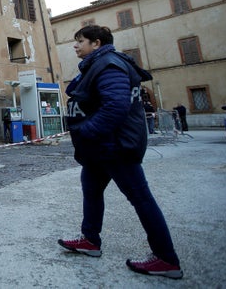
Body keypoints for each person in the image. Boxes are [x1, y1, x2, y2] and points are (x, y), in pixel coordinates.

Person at [57, 25, 183, 279]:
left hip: (114, 147)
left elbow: (115, 107)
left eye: (80, 41)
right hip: (100, 150)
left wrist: (86, 131)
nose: (75, 45)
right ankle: (90, 240)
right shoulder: (98, 64)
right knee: (91, 192)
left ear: (96, 43)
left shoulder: (109, 65)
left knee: (141, 199)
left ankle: (166, 259)